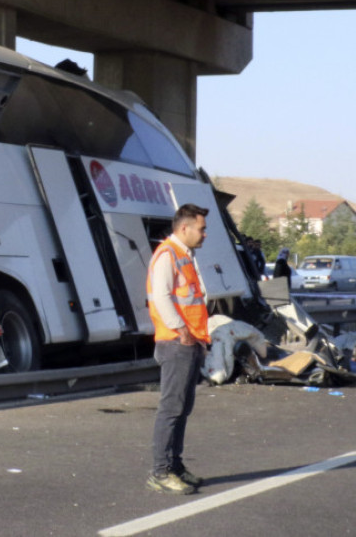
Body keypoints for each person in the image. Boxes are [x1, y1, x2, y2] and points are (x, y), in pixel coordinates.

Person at [146, 203, 211, 495]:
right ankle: (161, 472)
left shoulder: (184, 255)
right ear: (184, 228)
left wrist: (198, 339)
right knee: (172, 408)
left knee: (182, 408)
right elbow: (160, 297)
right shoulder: (168, 255)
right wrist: (182, 330)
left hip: (190, 341)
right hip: (176, 342)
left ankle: (175, 466)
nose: (205, 234)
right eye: (201, 228)